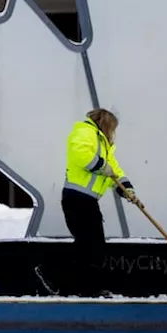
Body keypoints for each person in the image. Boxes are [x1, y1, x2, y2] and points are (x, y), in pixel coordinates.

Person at [58, 108, 138, 296]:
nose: (113, 133)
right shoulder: (85, 131)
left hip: (88, 201)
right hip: (77, 199)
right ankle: (69, 283)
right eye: (113, 128)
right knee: (90, 244)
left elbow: (114, 171)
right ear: (105, 123)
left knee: (91, 245)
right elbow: (80, 153)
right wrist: (102, 167)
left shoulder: (104, 144)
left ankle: (81, 286)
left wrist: (127, 190)